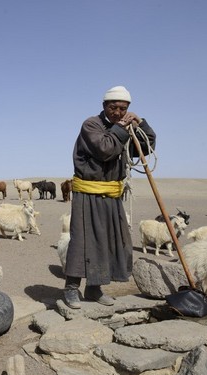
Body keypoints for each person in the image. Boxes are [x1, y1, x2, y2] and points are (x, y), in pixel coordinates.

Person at [63, 86, 156, 309]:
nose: (117, 111)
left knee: (109, 241)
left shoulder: (125, 127)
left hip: (112, 195)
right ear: (104, 106)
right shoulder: (91, 125)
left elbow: (146, 145)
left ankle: (94, 289)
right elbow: (105, 149)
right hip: (88, 194)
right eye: (113, 107)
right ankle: (71, 288)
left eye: (122, 108)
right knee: (83, 241)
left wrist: (140, 124)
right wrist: (122, 127)